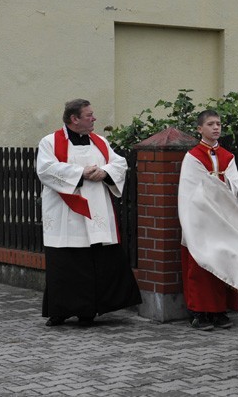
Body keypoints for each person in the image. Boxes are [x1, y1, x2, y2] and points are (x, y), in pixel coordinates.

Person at [37, 99, 142, 327]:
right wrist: (80, 172)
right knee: (66, 264)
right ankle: (60, 311)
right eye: (89, 115)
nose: (94, 118)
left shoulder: (100, 142)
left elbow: (120, 164)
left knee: (94, 262)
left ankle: (89, 311)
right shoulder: (50, 142)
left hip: (96, 210)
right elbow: (45, 169)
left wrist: (104, 172)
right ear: (75, 119)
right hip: (66, 211)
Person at [178, 110, 238, 331]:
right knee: (201, 266)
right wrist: (213, 189)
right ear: (199, 129)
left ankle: (219, 311)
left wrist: (219, 188)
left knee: (224, 261)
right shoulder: (192, 157)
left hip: (223, 221)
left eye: (219, 124)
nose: (216, 128)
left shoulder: (228, 157)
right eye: (210, 124)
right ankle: (199, 313)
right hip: (201, 222)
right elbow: (189, 191)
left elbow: (236, 187)